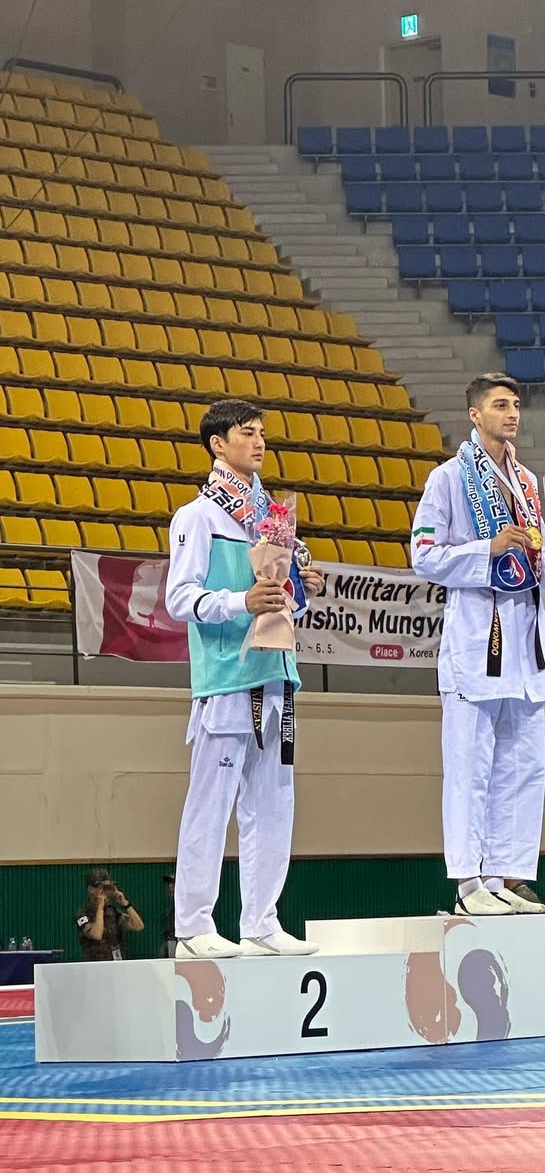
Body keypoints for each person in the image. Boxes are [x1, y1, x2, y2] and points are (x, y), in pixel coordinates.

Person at [165, 399, 326, 959]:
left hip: (277, 673)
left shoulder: (271, 521)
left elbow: (278, 600)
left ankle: (261, 921)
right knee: (211, 804)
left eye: (262, 433)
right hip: (228, 677)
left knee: (274, 803)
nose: (259, 441)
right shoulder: (197, 517)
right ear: (217, 443)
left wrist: (301, 590)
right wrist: (241, 600)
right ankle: (193, 926)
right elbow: (179, 598)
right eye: (246, 432)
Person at [411, 373, 545, 916]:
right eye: (500, 405)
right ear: (474, 415)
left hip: (525, 643)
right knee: (470, 767)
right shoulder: (448, 479)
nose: (512, 413)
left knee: (524, 767)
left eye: (516, 404)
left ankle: (506, 875)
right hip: (476, 641)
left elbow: (531, 564)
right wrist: (487, 548)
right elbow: (424, 556)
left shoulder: (525, 482)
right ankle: (468, 882)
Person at [76, 867, 144, 961]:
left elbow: (138, 926)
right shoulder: (83, 913)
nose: (104, 892)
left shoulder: (112, 911)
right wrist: (100, 907)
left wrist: (125, 903)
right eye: (101, 888)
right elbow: (97, 934)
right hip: (96, 963)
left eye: (107, 888)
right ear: (91, 889)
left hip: (116, 962)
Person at [160, 873, 177, 958]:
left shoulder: (186, 906)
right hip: (170, 941)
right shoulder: (171, 905)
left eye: (174, 883)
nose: (170, 886)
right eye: (169, 883)